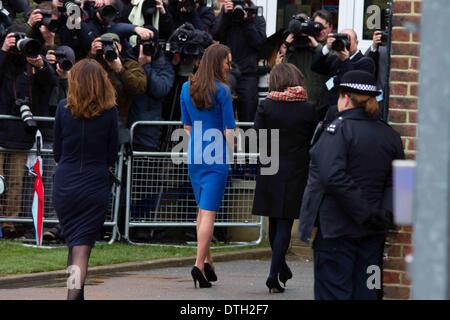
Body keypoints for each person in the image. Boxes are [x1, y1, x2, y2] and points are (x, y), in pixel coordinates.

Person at [298, 70, 405, 300]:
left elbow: (332, 175)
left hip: (337, 231)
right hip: (373, 234)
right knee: (369, 291)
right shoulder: (390, 135)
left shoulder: (338, 130)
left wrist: (364, 213)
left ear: (345, 97)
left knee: (334, 293)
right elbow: (402, 183)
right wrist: (384, 215)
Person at [53, 58, 119, 300]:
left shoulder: (63, 108)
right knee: (81, 247)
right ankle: (73, 296)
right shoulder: (110, 111)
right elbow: (112, 152)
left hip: (65, 181)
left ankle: (76, 295)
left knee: (74, 243)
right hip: (94, 182)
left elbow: (57, 151)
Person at [252, 63, 317, 293]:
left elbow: (258, 135)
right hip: (296, 169)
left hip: (270, 166)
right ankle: (274, 272)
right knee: (285, 221)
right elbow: (312, 140)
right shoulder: (308, 109)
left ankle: (279, 268)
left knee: (273, 219)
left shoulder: (265, 106)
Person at [180, 43, 235, 288]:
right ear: (216, 62)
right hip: (216, 156)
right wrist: (233, 152)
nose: (229, 66)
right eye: (227, 62)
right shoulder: (223, 91)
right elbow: (229, 130)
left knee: (202, 212)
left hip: (195, 154)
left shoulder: (185, 87)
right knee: (209, 213)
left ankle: (209, 263)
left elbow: (187, 127)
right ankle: (198, 265)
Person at [212, 0, 266, 122]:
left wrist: (247, 21)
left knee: (248, 119)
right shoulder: (227, 13)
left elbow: (260, 43)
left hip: (248, 76)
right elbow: (215, 35)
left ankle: (247, 142)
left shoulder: (255, 15)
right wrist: (225, 15)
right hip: (226, 73)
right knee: (223, 118)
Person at [283, 10, 334, 119]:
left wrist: (317, 48)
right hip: (301, 105)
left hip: (323, 106)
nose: (319, 31)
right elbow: (286, 70)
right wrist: (287, 46)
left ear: (330, 27)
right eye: (316, 26)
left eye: (322, 28)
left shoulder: (334, 46)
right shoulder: (301, 46)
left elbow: (331, 64)